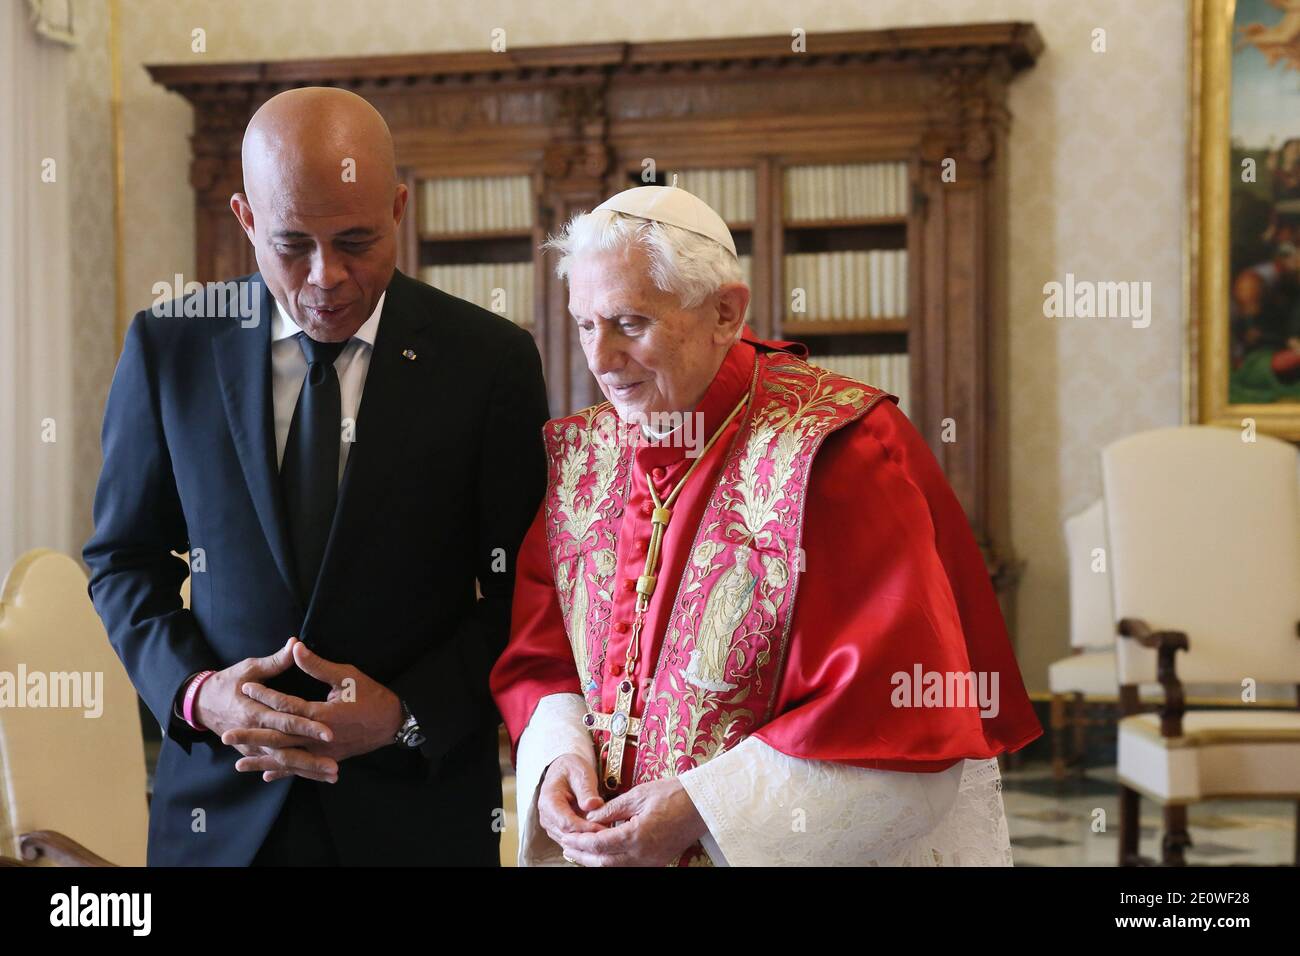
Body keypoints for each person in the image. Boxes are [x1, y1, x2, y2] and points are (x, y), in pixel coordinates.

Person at [490, 185, 1041, 866]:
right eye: (583, 325)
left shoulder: (841, 450)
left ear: (725, 312)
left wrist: (700, 809)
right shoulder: (585, 456)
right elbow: (542, 658)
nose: (599, 360)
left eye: (629, 324)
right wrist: (559, 763)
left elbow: (893, 722)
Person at [84, 87, 549, 865]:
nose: (325, 276)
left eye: (357, 240)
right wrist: (199, 694)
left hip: (415, 814)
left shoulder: (490, 362)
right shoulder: (170, 350)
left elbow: (528, 592)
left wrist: (404, 713)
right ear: (245, 220)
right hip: (219, 817)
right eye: (292, 244)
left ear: (400, 208)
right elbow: (123, 562)